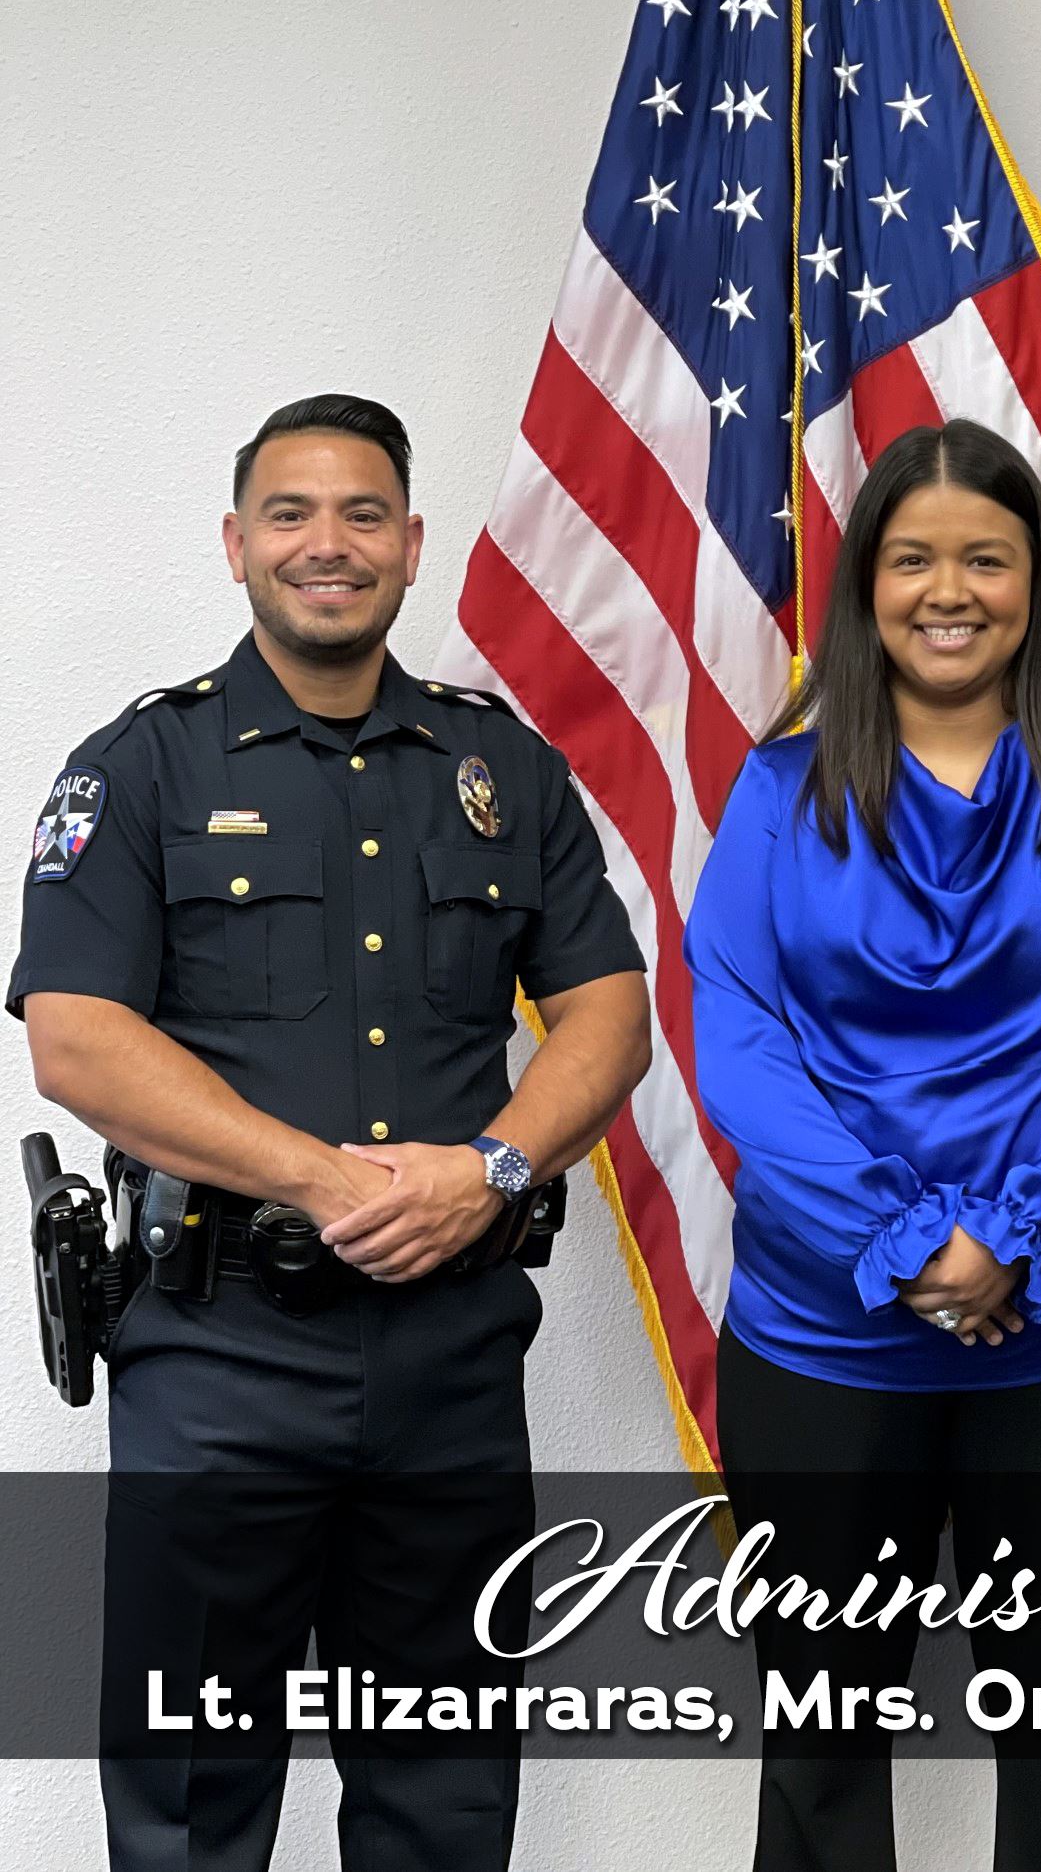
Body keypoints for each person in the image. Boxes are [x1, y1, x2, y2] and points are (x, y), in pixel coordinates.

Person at [11, 395, 652, 1871]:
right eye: (291, 513)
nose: (329, 543)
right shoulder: (145, 767)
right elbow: (76, 1038)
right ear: (237, 544)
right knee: (189, 1802)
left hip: (450, 1361)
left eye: (364, 513)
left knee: (445, 1793)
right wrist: (332, 1179)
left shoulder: (503, 773)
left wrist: (487, 1169)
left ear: (412, 546)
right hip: (219, 1358)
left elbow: (609, 1006)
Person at [683, 418, 1041, 1872]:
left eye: (986, 554)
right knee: (822, 1736)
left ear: (1036, 580)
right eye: (912, 556)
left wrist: (1015, 1235)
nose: (948, 586)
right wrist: (915, 1239)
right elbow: (740, 1037)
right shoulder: (778, 797)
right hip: (822, 1340)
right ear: (864, 585)